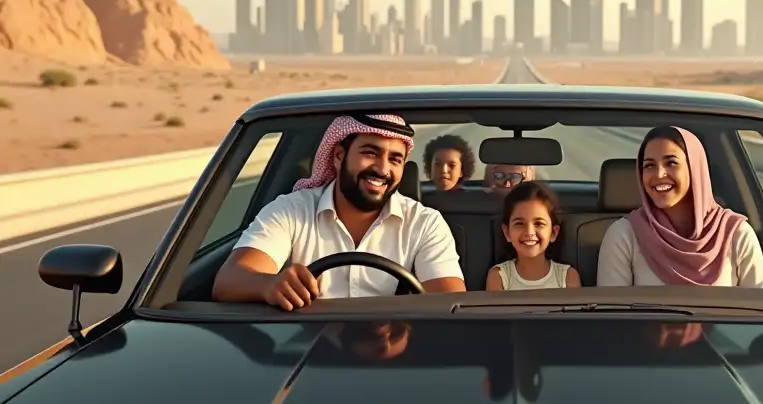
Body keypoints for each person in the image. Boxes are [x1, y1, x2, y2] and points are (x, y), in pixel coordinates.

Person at [211, 112, 466, 309]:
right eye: (370, 153)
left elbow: (450, 304)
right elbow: (229, 281)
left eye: (395, 160)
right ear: (338, 156)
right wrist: (268, 285)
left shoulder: (425, 223)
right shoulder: (290, 210)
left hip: (392, 356)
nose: (382, 169)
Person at [596, 125, 763, 289]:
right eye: (649, 165)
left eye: (671, 163)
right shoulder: (624, 235)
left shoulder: (737, 234)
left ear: (694, 169)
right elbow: (612, 317)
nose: (658, 174)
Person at [486, 180, 581, 290]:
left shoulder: (567, 277)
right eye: (520, 223)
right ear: (507, 232)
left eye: (539, 224)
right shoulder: (499, 276)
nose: (529, 232)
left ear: (553, 233)